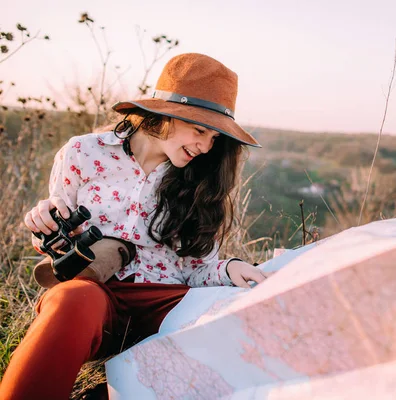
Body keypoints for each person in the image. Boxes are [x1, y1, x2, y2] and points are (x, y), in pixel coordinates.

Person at [0, 53, 271, 399]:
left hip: (166, 303)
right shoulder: (83, 153)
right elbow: (56, 243)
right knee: (70, 300)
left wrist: (229, 267)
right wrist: (45, 226)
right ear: (164, 115)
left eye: (214, 138)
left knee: (231, 328)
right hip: (96, 292)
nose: (205, 146)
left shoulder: (203, 179)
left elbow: (198, 270)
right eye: (200, 130)